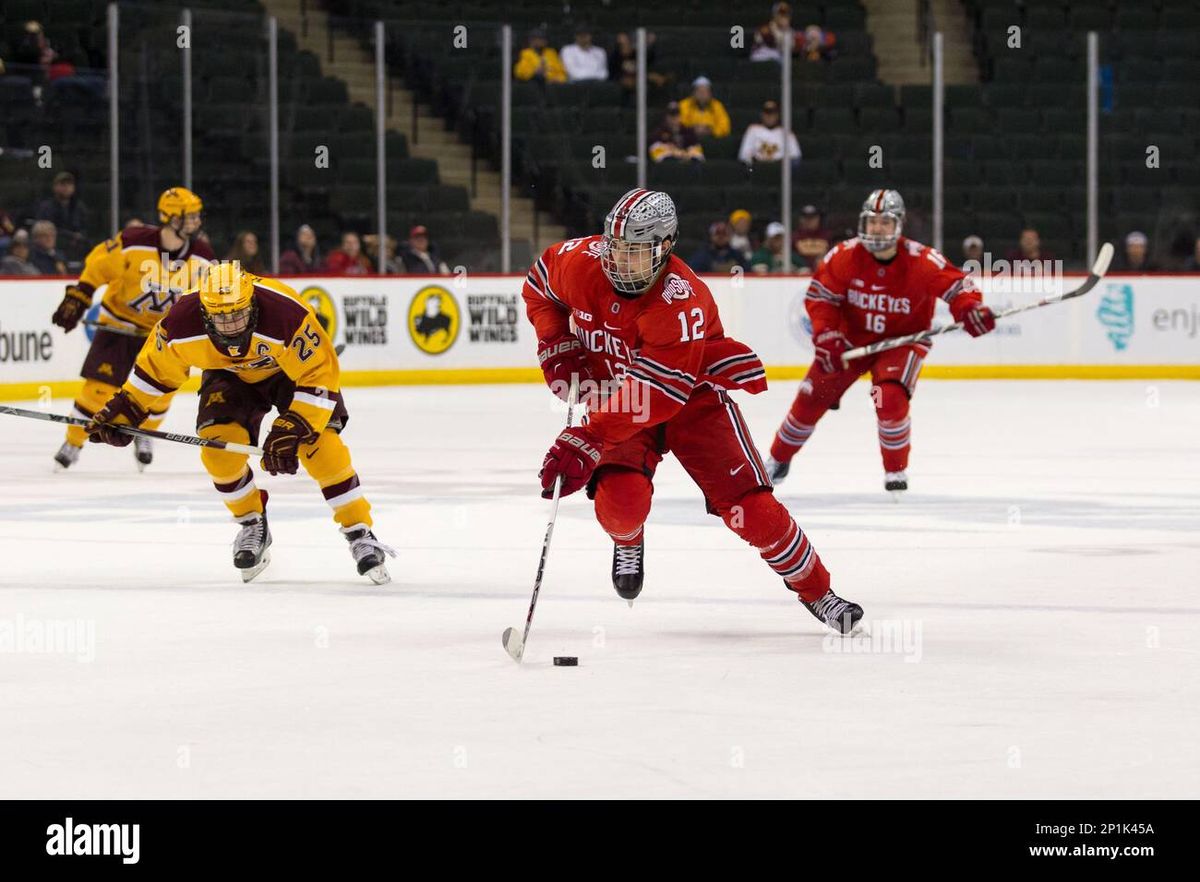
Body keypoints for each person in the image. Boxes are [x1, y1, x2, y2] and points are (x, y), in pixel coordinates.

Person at [523, 188, 862, 632]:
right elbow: (539, 282)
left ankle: (818, 591)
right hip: (616, 395)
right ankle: (629, 539)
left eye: (635, 253)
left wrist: (590, 436)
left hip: (690, 400)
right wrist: (557, 343)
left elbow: (658, 393)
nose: (619, 262)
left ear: (664, 249)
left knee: (751, 510)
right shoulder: (578, 262)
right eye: (615, 249)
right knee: (620, 505)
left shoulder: (679, 300)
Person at [84, 262, 395, 584]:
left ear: (252, 304)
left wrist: (295, 426)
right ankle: (252, 523)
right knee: (218, 451)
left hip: (292, 376)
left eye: (237, 314)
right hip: (228, 376)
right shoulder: (180, 322)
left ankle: (360, 532)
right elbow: (154, 372)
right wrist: (126, 409)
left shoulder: (286, 315)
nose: (230, 324)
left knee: (320, 448)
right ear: (205, 313)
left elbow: (319, 374)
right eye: (220, 317)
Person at [765, 190, 996, 494]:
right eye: (871, 222)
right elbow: (821, 298)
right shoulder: (844, 255)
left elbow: (958, 287)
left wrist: (969, 309)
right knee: (811, 396)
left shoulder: (922, 260)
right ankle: (777, 459)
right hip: (850, 341)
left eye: (884, 222)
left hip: (900, 343)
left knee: (889, 397)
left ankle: (895, 471)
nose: (876, 229)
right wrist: (826, 334)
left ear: (898, 225)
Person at [49, 187, 214, 471]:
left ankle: (144, 436)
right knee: (99, 391)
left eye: (197, 216)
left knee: (160, 393)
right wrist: (81, 294)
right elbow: (97, 266)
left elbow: (209, 294)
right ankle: (74, 441)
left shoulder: (202, 256)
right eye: (189, 216)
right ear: (171, 218)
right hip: (119, 326)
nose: (196, 222)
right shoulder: (133, 243)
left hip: (163, 336)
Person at [34, 171, 89, 261]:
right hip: (55, 245)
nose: (66, 187)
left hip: (76, 247)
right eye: (63, 184)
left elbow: (85, 228)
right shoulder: (46, 207)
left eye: (69, 184)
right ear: (55, 187)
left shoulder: (79, 207)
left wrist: (79, 236)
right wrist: (70, 236)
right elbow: (44, 230)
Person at [738, 100, 801, 167]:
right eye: (767, 113)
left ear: (777, 115)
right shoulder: (753, 129)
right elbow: (743, 156)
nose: (769, 116)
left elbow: (796, 157)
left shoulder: (786, 132)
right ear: (762, 114)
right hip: (758, 169)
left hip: (779, 170)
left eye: (772, 113)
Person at [792, 204, 832, 271]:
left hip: (824, 272)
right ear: (801, 219)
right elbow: (791, 256)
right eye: (806, 217)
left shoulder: (827, 236)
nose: (809, 220)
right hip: (801, 274)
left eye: (812, 217)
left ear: (819, 218)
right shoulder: (795, 237)